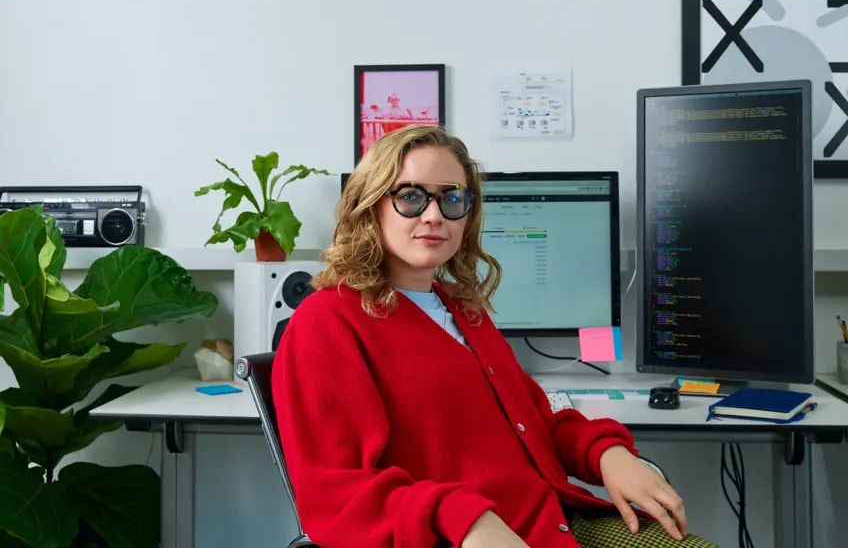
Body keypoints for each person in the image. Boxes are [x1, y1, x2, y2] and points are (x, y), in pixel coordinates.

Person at [271, 125, 718, 547]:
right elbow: (334, 494)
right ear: (372, 206)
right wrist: (464, 518)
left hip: (547, 520)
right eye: (410, 197)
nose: (433, 215)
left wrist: (606, 455)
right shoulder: (327, 320)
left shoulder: (461, 309)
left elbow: (534, 419)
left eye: (451, 198)